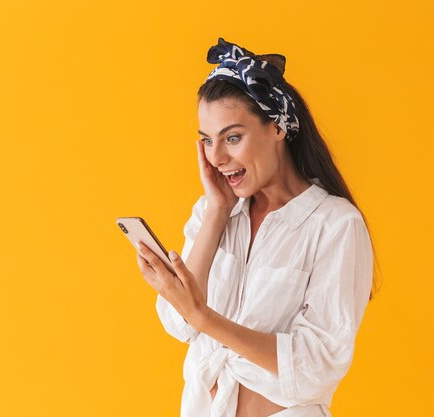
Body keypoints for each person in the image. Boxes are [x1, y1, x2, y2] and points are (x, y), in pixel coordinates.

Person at [136, 37, 378, 417]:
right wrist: (217, 211)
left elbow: (317, 365)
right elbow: (177, 322)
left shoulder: (335, 225)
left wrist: (206, 318)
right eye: (207, 141)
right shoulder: (213, 213)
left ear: (277, 128)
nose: (217, 157)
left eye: (233, 137)